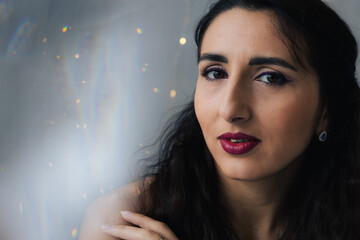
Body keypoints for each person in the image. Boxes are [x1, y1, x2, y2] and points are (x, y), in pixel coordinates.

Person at [78, 0, 360, 239]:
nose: (230, 108)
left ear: (327, 109)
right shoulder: (122, 221)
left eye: (270, 77)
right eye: (215, 73)